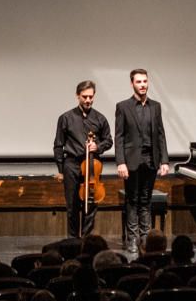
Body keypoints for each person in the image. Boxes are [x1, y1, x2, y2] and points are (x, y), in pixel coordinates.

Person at [115, 68, 169, 254]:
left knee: (146, 199)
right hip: (131, 160)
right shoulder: (123, 107)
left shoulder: (156, 106)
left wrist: (164, 160)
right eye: (139, 82)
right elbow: (119, 136)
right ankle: (132, 239)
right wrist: (120, 162)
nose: (143, 85)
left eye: (145, 81)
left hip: (151, 159)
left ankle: (145, 238)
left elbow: (160, 135)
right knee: (133, 199)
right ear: (132, 84)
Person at [54, 80, 113, 238]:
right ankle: (73, 240)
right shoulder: (65, 118)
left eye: (91, 97)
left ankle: (86, 240)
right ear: (77, 96)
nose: (88, 100)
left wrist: (98, 147)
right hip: (72, 164)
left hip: (93, 165)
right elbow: (58, 145)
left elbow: (109, 141)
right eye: (84, 97)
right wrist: (60, 170)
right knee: (72, 205)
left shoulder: (100, 118)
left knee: (91, 204)